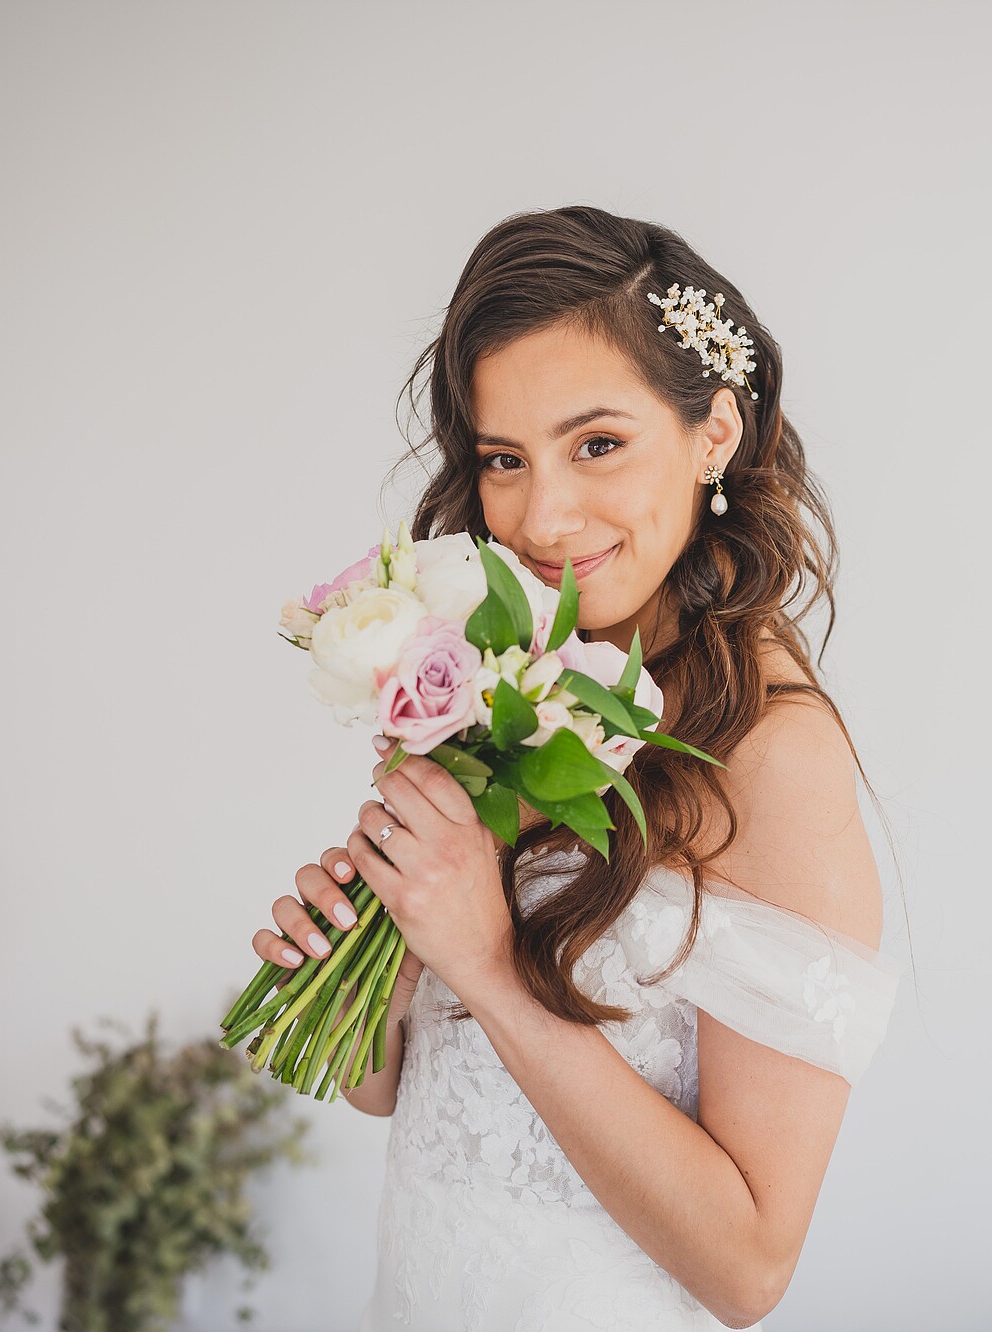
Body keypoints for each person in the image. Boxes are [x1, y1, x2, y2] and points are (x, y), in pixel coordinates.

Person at [249, 205, 903, 1331]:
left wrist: (488, 964)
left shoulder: (769, 755)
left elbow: (747, 1268)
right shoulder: (515, 678)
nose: (542, 515)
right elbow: (402, 1092)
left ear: (715, 433)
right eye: (504, 459)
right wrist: (376, 966)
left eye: (596, 444)